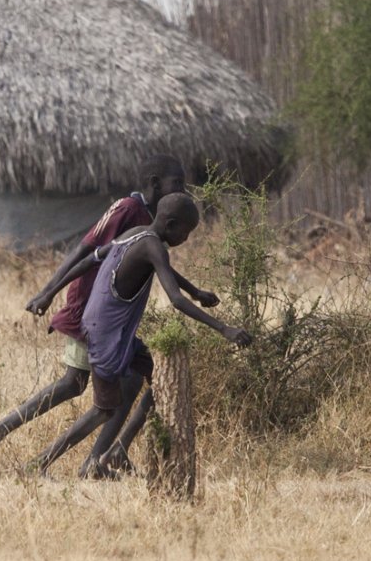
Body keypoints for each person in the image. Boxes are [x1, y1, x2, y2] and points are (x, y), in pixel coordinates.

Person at [0, 155, 219, 474]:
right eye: (178, 184)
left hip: (113, 319)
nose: (183, 190)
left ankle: (101, 457)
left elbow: (157, 264)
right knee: (76, 385)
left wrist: (195, 291)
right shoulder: (127, 209)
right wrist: (48, 291)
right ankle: (4, 436)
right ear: (156, 184)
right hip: (92, 309)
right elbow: (85, 249)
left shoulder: (151, 220)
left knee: (131, 382)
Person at [34, 194, 250, 479]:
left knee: (160, 378)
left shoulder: (135, 235)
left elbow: (91, 261)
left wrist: (196, 292)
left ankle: (118, 450)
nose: (186, 239)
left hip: (109, 329)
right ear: (171, 224)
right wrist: (224, 328)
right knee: (103, 410)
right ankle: (39, 463)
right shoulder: (153, 247)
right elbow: (175, 299)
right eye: (186, 232)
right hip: (106, 335)